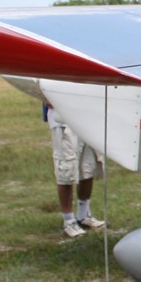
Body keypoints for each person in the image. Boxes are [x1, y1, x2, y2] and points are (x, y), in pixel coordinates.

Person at [44, 102, 106, 238]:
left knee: (88, 167)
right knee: (66, 170)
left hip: (86, 116)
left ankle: (84, 214)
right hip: (63, 119)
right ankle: (69, 220)